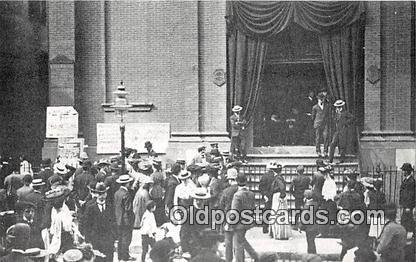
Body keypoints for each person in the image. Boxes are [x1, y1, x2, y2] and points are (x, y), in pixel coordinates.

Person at [84, 182, 116, 262]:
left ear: (106, 194)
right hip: (96, 241)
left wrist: (114, 237)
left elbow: (114, 222)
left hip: (108, 241)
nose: (102, 196)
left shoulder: (110, 206)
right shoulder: (90, 208)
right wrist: (88, 240)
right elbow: (87, 225)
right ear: (96, 194)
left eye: (103, 193)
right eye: (99, 193)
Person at [231, 173, 259, 262]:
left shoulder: (237, 195)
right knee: (242, 240)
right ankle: (255, 256)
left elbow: (234, 212)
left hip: (238, 223)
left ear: (236, 181)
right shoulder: (251, 193)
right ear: (246, 181)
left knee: (238, 245)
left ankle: (241, 260)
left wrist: (230, 223)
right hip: (247, 221)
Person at [217, 168, 238, 262]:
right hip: (241, 218)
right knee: (239, 242)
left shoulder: (226, 191)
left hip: (228, 217)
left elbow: (221, 206)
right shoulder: (240, 190)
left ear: (229, 179)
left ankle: (229, 259)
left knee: (228, 242)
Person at [114, 174, 135, 261]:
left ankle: (120, 256)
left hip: (118, 219)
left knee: (120, 238)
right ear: (127, 183)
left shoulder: (117, 193)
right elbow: (128, 209)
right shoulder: (126, 194)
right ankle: (125, 256)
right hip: (126, 220)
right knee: (126, 239)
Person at [270, 164, 290, 240]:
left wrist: (281, 196)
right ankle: (280, 233)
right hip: (278, 195)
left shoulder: (277, 178)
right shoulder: (280, 177)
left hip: (277, 196)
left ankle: (278, 233)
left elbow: (282, 187)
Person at [259, 162, 278, 234]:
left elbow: (261, 187)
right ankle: (273, 229)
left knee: (266, 211)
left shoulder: (264, 176)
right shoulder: (276, 176)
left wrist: (264, 195)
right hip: (275, 195)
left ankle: (265, 227)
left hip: (267, 196)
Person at [299, 190, 319, 254]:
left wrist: (300, 226)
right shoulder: (316, 203)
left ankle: (311, 255)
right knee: (312, 241)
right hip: (315, 225)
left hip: (309, 227)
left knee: (310, 242)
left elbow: (304, 217)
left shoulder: (307, 205)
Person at [311, 93, 329, 157]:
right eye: (320, 99)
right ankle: (318, 151)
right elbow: (313, 117)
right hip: (318, 124)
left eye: (322, 98)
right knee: (318, 138)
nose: (321, 100)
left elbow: (328, 115)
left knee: (326, 137)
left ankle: (325, 151)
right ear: (318, 99)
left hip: (325, 124)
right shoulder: (315, 107)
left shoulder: (327, 106)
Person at [399, 163, 415, 232]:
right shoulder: (406, 180)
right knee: (405, 222)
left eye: (403, 170)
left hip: (408, 206)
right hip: (405, 205)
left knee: (408, 222)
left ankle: (410, 237)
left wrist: (408, 206)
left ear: (406, 171)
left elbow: (411, 195)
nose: (402, 172)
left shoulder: (411, 181)